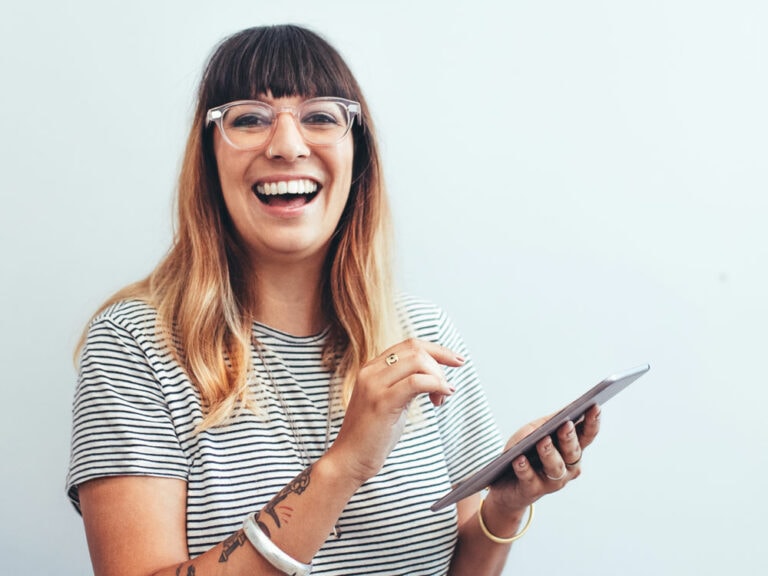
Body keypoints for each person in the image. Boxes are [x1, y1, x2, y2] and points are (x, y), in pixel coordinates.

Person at [66, 24, 601, 576]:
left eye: (320, 116)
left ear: (357, 155)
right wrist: (343, 465)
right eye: (249, 118)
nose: (287, 145)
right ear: (208, 159)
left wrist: (506, 505)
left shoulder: (423, 334)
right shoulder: (133, 344)